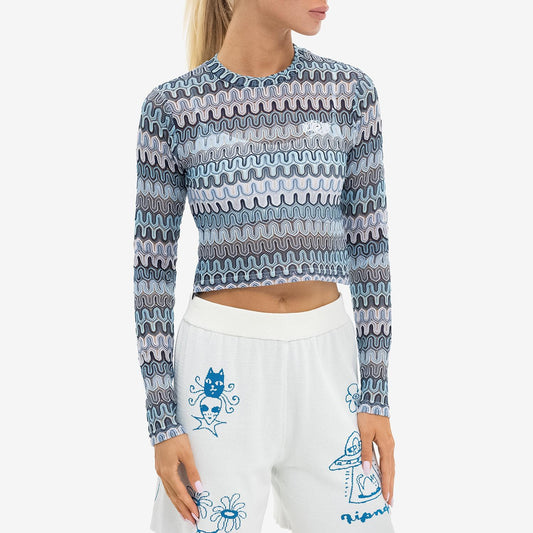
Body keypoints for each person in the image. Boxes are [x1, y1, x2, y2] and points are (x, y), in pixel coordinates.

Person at [133, 1, 396, 531]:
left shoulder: (349, 94)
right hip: (219, 367)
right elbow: (152, 275)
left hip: (328, 366)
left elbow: (371, 254)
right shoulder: (173, 109)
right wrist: (162, 422)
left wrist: (376, 396)